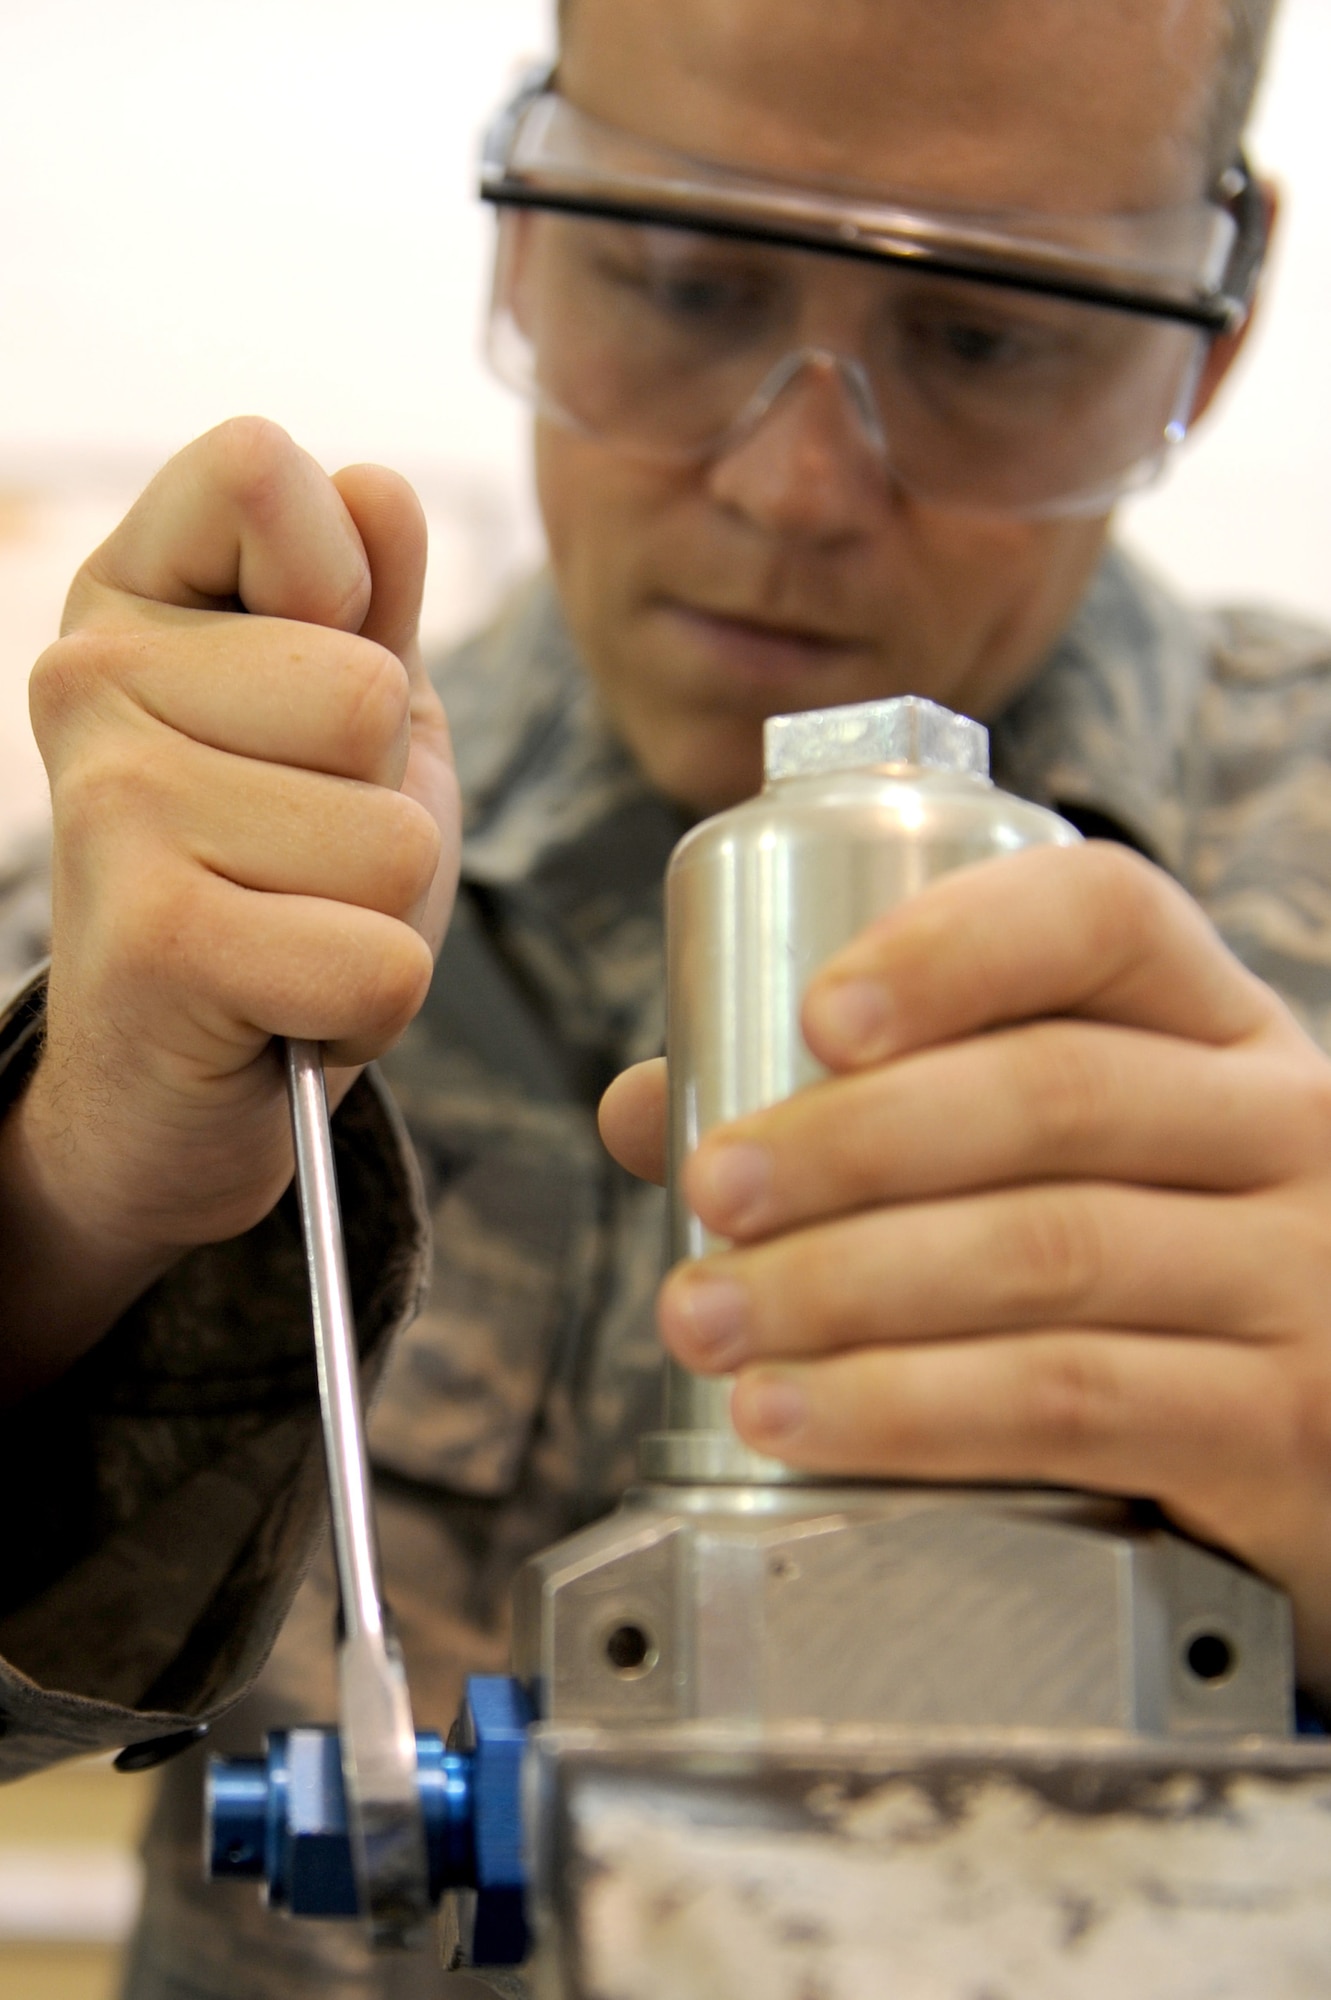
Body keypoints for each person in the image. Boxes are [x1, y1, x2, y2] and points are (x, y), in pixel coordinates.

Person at [3, 0, 1331, 1992]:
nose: (796, 483)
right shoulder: (159, 913)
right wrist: (58, 1223)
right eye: (684, 280)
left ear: (1208, 334)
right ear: (526, 233)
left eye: (984, 335)